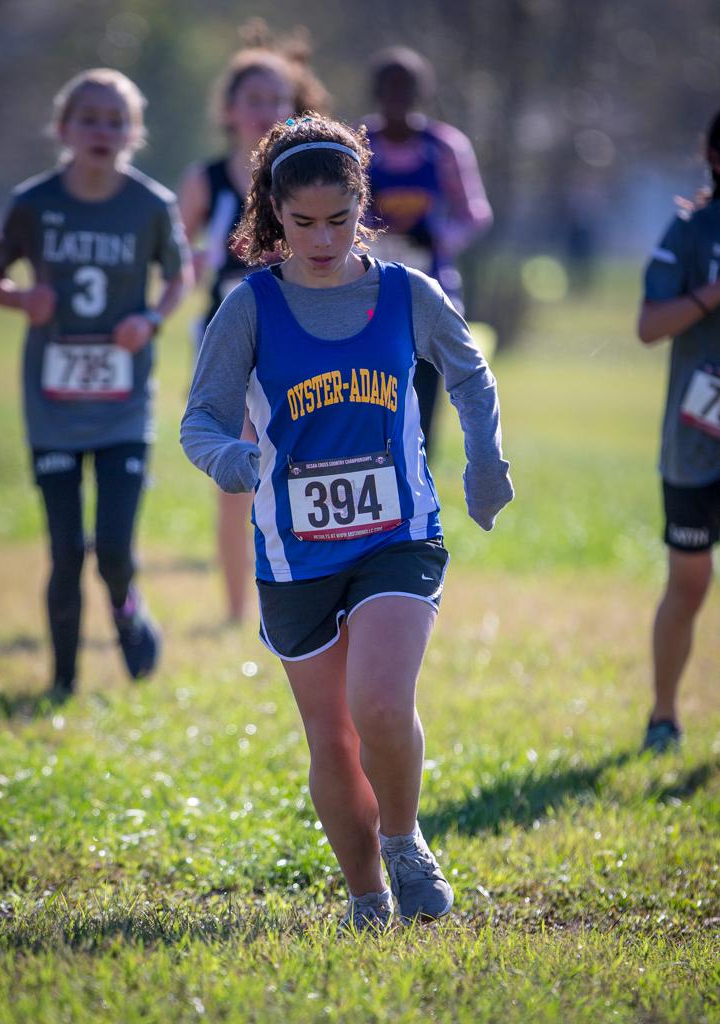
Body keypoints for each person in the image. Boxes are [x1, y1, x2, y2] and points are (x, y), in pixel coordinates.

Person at [181, 114, 513, 930]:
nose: (321, 239)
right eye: (301, 224)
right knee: (331, 740)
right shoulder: (250, 306)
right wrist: (231, 460)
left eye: (338, 219)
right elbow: (202, 421)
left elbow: (470, 374)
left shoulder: (406, 292)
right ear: (272, 214)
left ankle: (404, 842)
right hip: (294, 554)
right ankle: (366, 897)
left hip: (398, 533)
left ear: (362, 204)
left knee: (379, 704)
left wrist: (484, 458)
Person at [0, 68, 191, 700]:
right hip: (52, 405)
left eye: (116, 119)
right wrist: (23, 300)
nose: (104, 130)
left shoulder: (151, 205)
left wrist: (149, 319)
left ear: (134, 132)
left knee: (115, 551)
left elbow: (179, 278)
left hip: (124, 405)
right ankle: (63, 684)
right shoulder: (34, 202)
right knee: (66, 550)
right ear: (64, 128)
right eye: (90, 118)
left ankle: (127, 609)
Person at [177, 23, 329, 624]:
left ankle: (309, 590)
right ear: (231, 110)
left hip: (302, 342)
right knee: (237, 469)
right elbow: (170, 258)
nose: (267, 110)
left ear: (296, 110)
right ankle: (240, 611)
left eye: (279, 100)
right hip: (228, 345)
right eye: (255, 99)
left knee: (307, 464)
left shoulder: (309, 177)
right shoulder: (206, 181)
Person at [361, 46, 493, 453]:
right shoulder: (358, 142)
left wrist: (438, 237)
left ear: (422, 92)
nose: (397, 97)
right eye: (389, 87)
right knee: (369, 399)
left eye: (407, 87)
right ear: (376, 92)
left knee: (421, 404)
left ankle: (419, 483)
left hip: (430, 296)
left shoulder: (445, 146)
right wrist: (372, 234)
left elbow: (475, 213)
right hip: (367, 295)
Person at [637, 108, 720, 753]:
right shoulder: (691, 232)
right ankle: (663, 715)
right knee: (689, 581)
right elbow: (649, 326)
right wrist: (712, 294)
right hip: (696, 442)